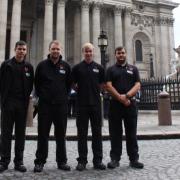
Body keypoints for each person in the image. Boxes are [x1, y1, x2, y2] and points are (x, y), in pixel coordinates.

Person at [33, 40, 71, 172]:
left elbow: (68, 85)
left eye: (57, 49)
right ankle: (40, 161)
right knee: (42, 134)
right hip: (45, 106)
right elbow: (37, 84)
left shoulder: (66, 66)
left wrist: (62, 97)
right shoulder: (42, 66)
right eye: (53, 49)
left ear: (60, 51)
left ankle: (62, 161)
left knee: (61, 134)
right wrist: (43, 96)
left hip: (60, 106)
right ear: (49, 50)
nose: (55, 51)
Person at [105, 46, 144, 169]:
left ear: (126, 54)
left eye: (122, 53)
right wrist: (120, 98)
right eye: (118, 53)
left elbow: (137, 85)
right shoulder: (110, 70)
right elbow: (108, 86)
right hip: (115, 105)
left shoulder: (134, 69)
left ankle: (134, 159)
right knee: (115, 133)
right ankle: (115, 159)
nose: (121, 55)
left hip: (130, 104)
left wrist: (127, 96)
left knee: (131, 133)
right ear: (115, 55)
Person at [0, 40, 34, 173]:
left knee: (21, 134)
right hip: (8, 104)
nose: (21, 51)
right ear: (15, 50)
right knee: (6, 134)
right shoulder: (6, 65)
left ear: (26, 51)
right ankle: (4, 161)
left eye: (24, 49)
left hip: (22, 104)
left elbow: (31, 84)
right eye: (19, 49)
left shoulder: (29, 67)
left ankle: (18, 161)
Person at [71, 43, 106, 171]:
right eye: (86, 51)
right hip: (81, 105)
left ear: (93, 52)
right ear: (83, 52)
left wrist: (97, 91)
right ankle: (82, 160)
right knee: (82, 134)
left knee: (97, 133)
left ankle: (98, 160)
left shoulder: (99, 68)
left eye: (90, 51)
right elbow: (73, 84)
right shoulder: (77, 68)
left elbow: (103, 84)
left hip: (96, 105)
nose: (88, 53)